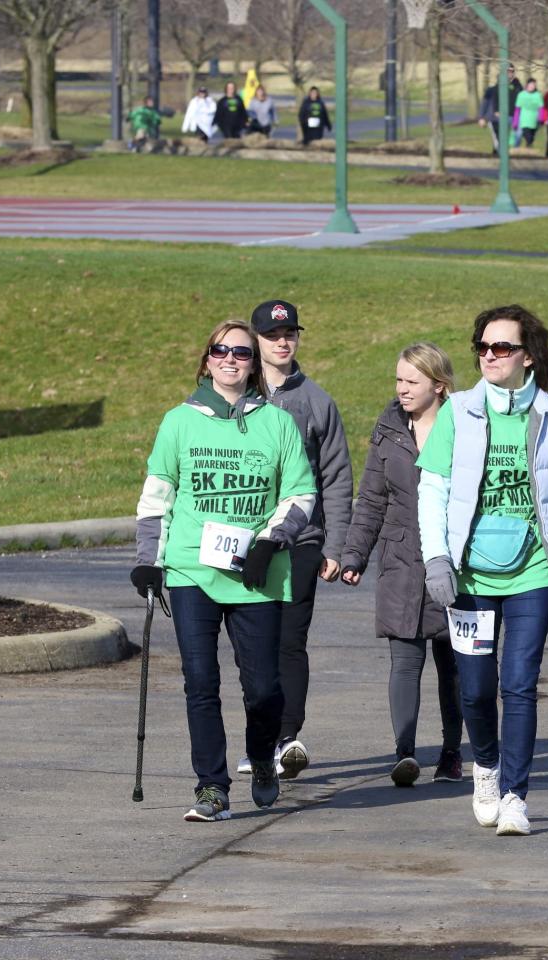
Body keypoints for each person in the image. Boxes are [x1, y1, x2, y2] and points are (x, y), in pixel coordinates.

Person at [416, 305, 548, 837]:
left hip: (534, 573)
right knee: (474, 689)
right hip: (469, 575)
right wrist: (436, 560)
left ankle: (516, 794)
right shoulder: (458, 412)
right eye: (483, 346)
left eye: (501, 347)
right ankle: (487, 768)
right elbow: (433, 490)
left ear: (527, 356)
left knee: (518, 685)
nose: (489, 356)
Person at [131, 319, 317, 821]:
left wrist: (268, 542)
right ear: (207, 358)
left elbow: (301, 493)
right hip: (191, 570)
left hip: (255, 574)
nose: (230, 359)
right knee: (200, 680)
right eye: (220, 351)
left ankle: (261, 757)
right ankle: (211, 788)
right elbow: (157, 497)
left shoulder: (276, 422)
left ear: (255, 363)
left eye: (241, 352)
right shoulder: (179, 421)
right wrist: (149, 562)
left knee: (262, 690)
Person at [230, 301, 353, 782]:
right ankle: (258, 741)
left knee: (289, 640)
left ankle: (286, 740)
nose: (283, 342)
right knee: (250, 647)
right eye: (272, 335)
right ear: (256, 340)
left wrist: (336, 546)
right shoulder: (235, 396)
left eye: (290, 334)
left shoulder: (317, 402)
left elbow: (338, 478)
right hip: (244, 539)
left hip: (303, 539)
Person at [342, 343, 465, 787]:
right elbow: (372, 498)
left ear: (439, 384)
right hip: (399, 561)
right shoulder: (389, 426)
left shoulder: (465, 425)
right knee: (404, 660)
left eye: (412, 382)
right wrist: (354, 554)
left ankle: (452, 753)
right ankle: (405, 753)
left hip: (454, 563)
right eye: (399, 380)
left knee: (453, 667)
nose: (402, 390)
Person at [478, 65, 522, 156]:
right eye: (507, 71)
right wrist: (482, 117)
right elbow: (485, 104)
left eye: (511, 71)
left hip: (509, 117)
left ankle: (498, 156)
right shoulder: (492, 90)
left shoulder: (515, 87)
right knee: (498, 139)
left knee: (505, 139)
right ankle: (500, 159)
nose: (510, 74)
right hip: (494, 119)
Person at [513, 78, 543, 148]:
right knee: (526, 135)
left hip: (534, 120)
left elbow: (541, 108)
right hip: (524, 120)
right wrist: (515, 121)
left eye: (534, 85)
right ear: (527, 85)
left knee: (531, 137)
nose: (532, 86)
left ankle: (528, 149)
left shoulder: (538, 95)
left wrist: (541, 119)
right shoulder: (521, 95)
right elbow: (517, 109)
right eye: (531, 85)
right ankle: (521, 149)